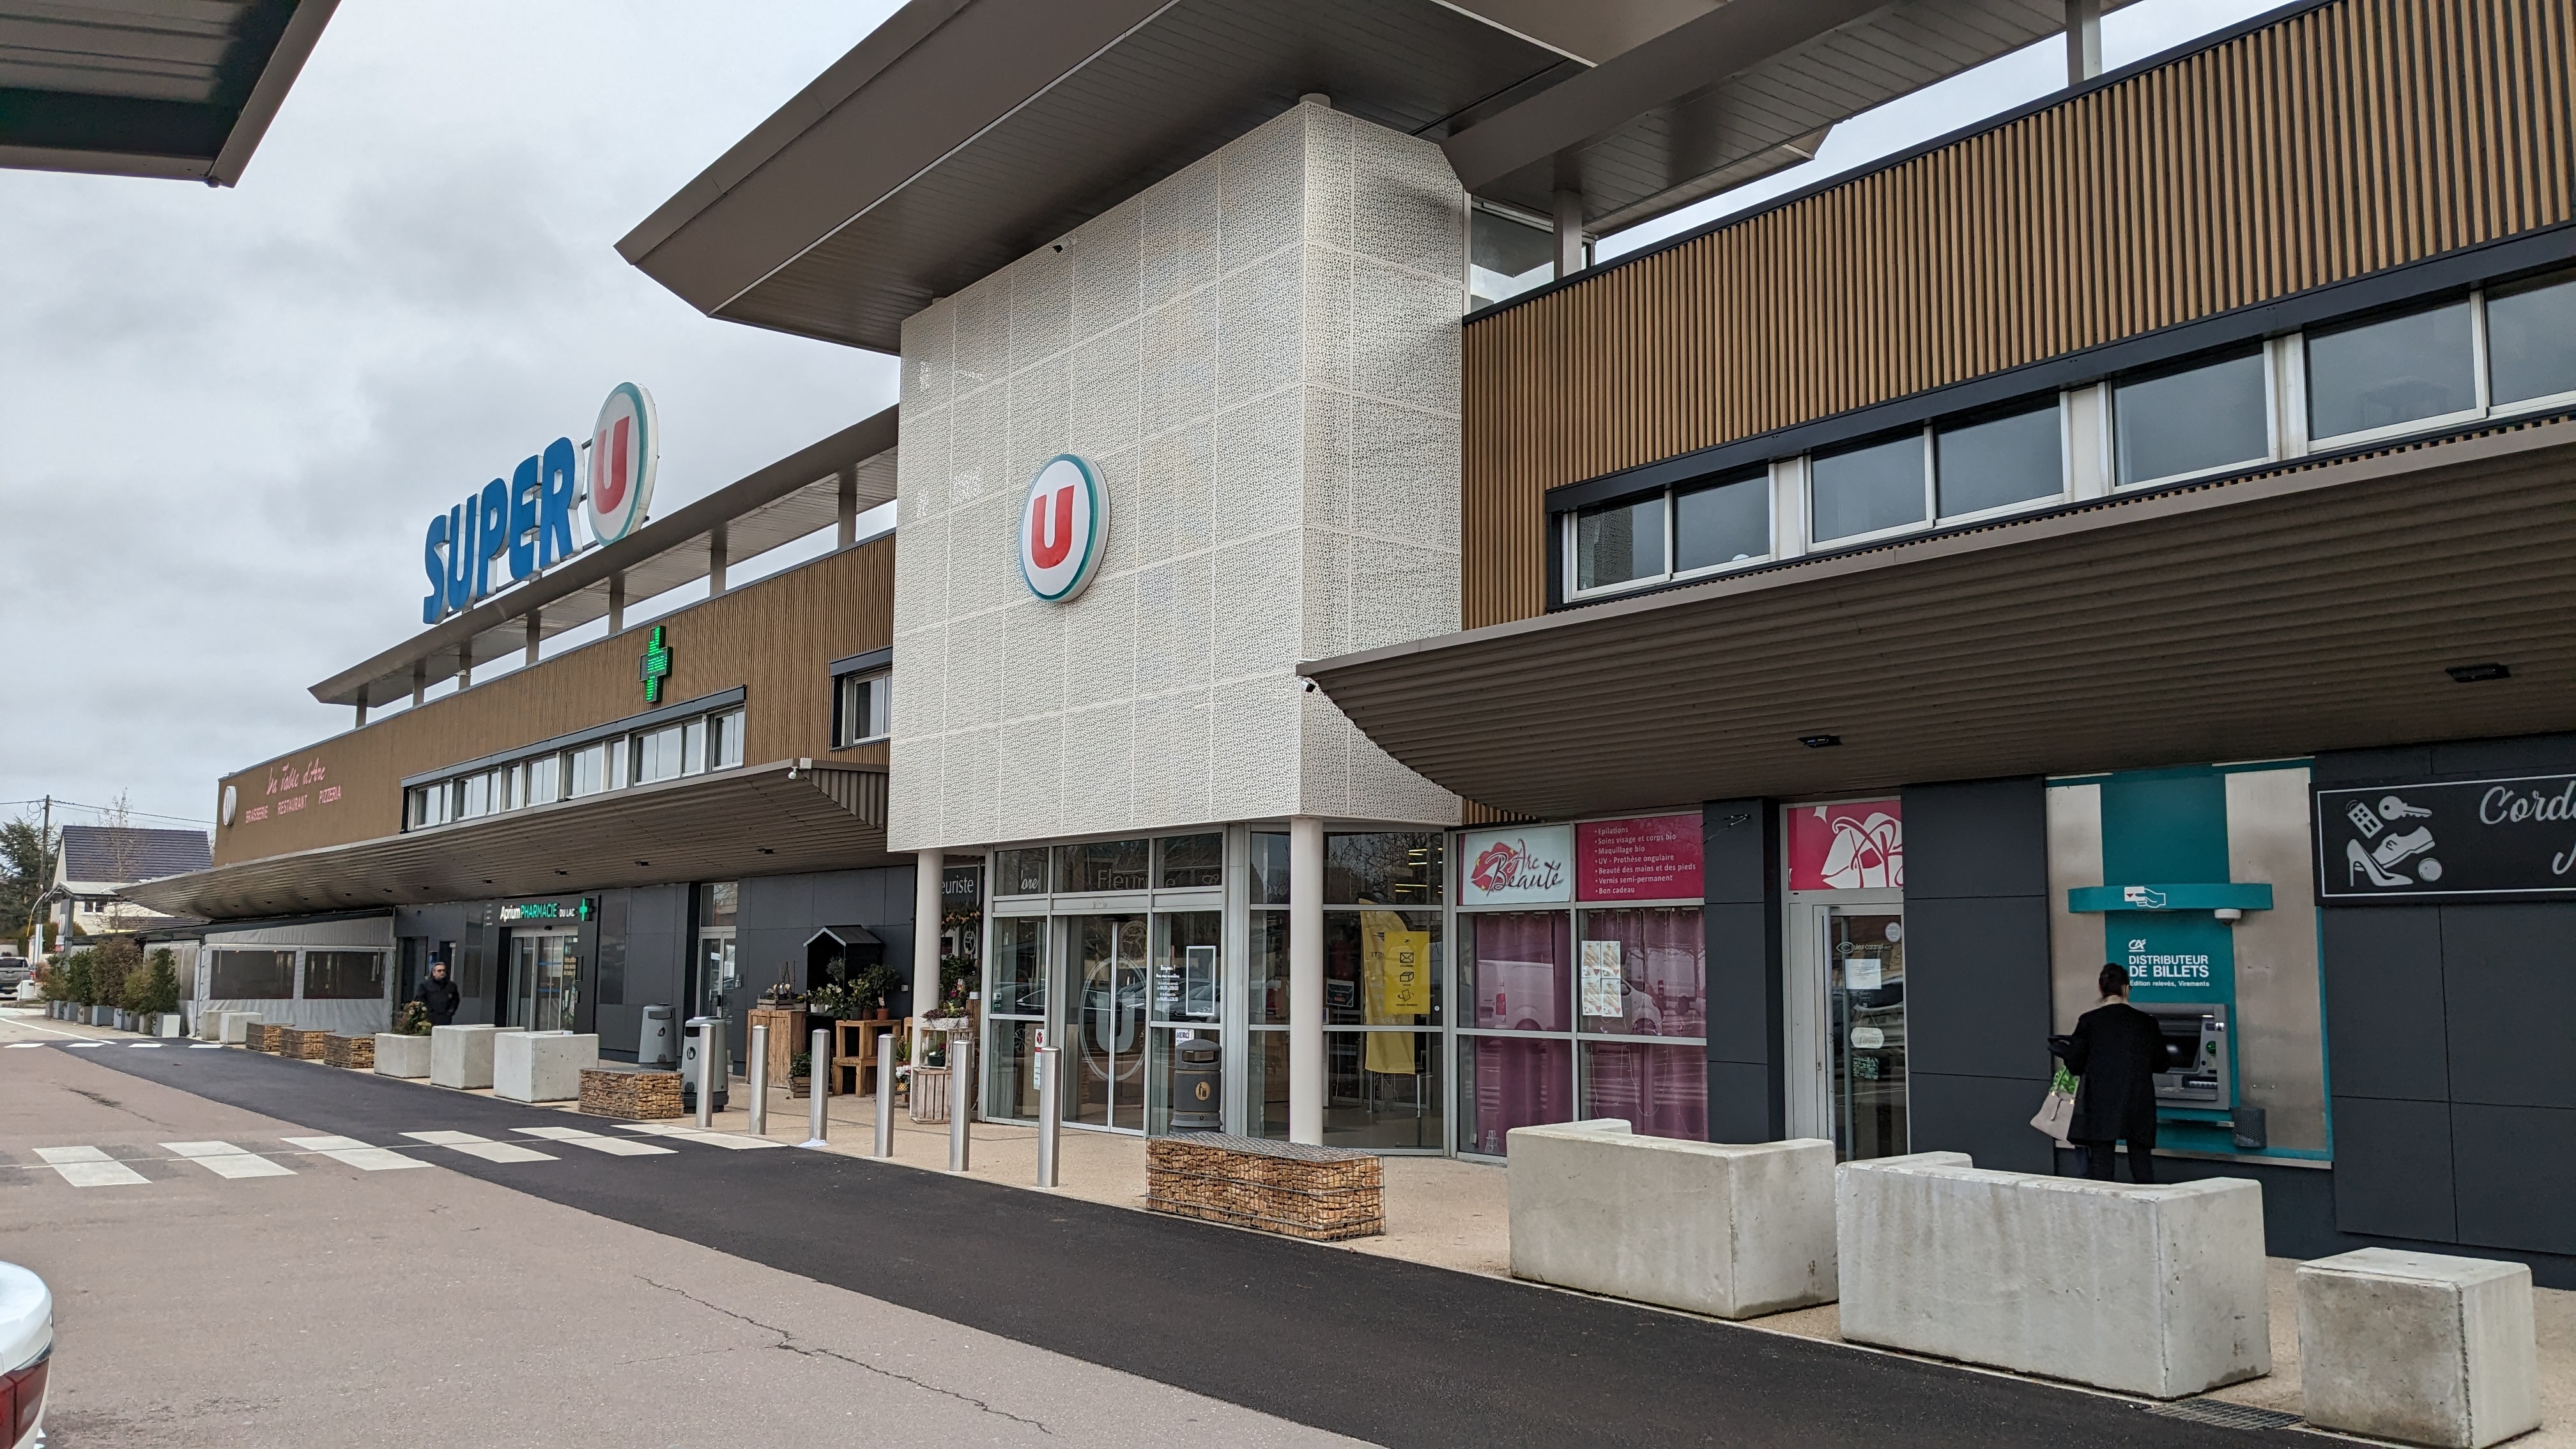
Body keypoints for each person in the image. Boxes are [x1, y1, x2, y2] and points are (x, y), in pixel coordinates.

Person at [2053, 962, 2164, 1183]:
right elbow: (2162, 1063)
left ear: (2100, 988)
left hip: (2101, 1103)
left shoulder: (2089, 1021)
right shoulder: (2147, 1023)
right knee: (2142, 1166)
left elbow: (2075, 1065)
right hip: (2139, 1101)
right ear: (2127, 989)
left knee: (2102, 1166)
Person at [416, 957, 461, 1028]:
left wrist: (450, 1012)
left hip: (445, 1017)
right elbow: (420, 999)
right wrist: (428, 1011)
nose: (442, 973)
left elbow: (455, 1000)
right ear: (434, 973)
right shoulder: (425, 985)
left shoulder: (451, 986)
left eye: (444, 970)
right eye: (439, 971)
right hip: (430, 1018)